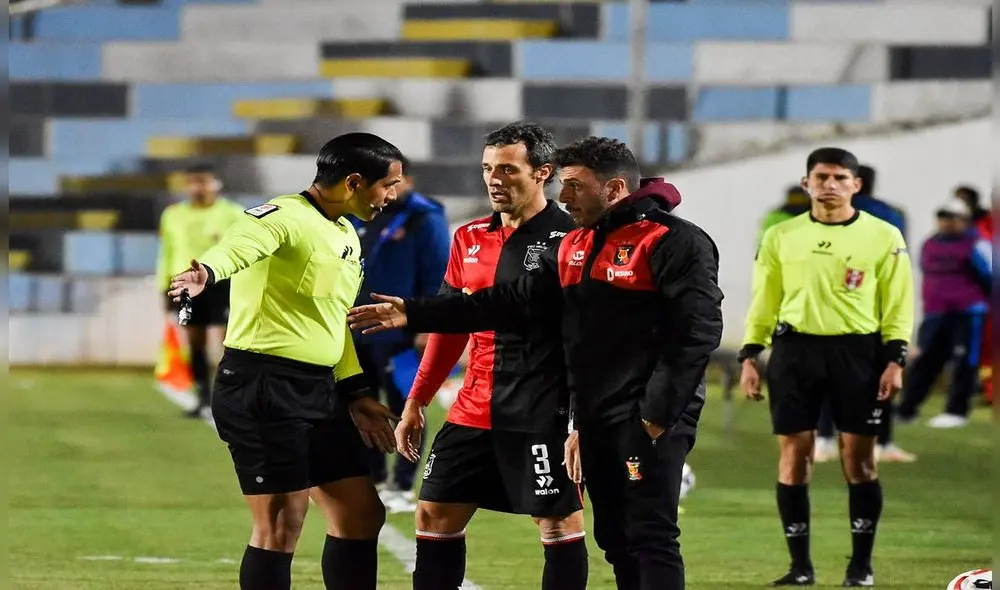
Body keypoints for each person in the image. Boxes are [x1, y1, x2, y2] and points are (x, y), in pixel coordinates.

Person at [349, 136, 724, 590]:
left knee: (645, 535)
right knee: (617, 539)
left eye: (574, 186)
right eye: (488, 168)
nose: (564, 199)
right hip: (583, 415)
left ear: (614, 188)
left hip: (625, 415)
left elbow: (694, 333)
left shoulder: (670, 239)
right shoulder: (577, 243)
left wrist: (654, 416)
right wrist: (415, 312)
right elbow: (509, 301)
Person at [167, 133, 403, 590]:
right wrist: (206, 272)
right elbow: (242, 245)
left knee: (360, 513)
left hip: (322, 390)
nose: (391, 196)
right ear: (354, 181)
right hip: (262, 387)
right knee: (281, 523)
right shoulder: (283, 216)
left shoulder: (344, 231)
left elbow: (334, 321)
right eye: (388, 185)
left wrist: (356, 393)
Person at [391, 122, 586, 590]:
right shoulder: (469, 237)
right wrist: (416, 401)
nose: (494, 179)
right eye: (486, 169)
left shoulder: (571, 240)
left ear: (543, 172)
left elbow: (584, 340)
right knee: (434, 513)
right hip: (474, 408)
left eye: (507, 169)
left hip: (543, 408)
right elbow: (450, 324)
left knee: (557, 523)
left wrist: (580, 420)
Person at [738, 147, 914, 587]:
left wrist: (895, 358)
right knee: (793, 458)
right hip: (795, 352)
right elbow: (765, 299)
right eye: (822, 177)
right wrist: (750, 354)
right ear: (807, 183)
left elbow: (898, 304)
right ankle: (800, 567)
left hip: (859, 354)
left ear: (856, 184)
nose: (830, 185)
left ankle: (861, 566)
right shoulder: (782, 236)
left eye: (840, 177)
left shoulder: (884, 235)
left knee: (859, 462)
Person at [349, 156, 451, 512]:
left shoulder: (425, 215)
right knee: (362, 406)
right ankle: (374, 479)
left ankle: (404, 484)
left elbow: (440, 271)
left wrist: (427, 323)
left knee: (406, 405)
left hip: (402, 331)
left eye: (391, 182)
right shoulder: (359, 212)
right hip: (356, 328)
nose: (385, 191)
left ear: (403, 179)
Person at [814, 164, 916, 464]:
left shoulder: (826, 211)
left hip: (834, 304)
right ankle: (881, 442)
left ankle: (824, 439)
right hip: (875, 304)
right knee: (880, 376)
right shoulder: (889, 214)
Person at [155, 163, 244, 418]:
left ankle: (232, 397)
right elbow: (167, 251)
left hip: (223, 282)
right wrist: (164, 285)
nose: (198, 188)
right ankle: (203, 397)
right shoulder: (172, 215)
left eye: (204, 182)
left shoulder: (233, 214)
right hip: (185, 284)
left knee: (231, 341)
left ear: (217, 184)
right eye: (193, 182)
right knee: (195, 341)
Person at [896, 198, 991, 428]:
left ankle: (956, 411)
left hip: (967, 313)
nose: (946, 222)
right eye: (943, 216)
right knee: (926, 361)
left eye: (952, 217)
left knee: (963, 361)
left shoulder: (977, 243)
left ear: (964, 220)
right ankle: (907, 409)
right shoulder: (930, 243)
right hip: (935, 312)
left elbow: (991, 275)